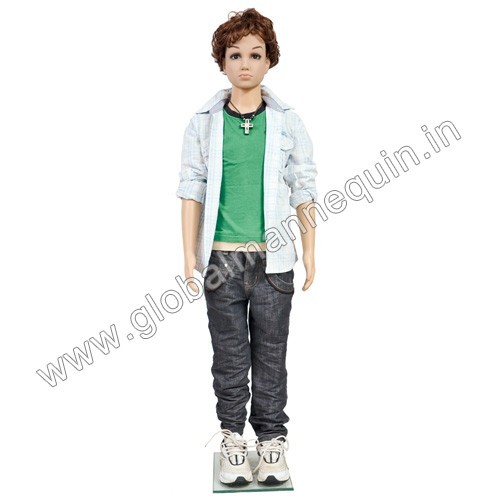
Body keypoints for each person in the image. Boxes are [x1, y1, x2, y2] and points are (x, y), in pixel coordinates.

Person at [176, 8, 318, 486]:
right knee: (230, 355)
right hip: (221, 260)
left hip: (274, 261)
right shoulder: (203, 123)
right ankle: (233, 439)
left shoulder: (288, 122)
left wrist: (310, 251)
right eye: (235, 55)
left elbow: (304, 187)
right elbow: (191, 187)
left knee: (272, 355)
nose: (245, 64)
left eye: (255, 55)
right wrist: (189, 255)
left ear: (270, 60)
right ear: (221, 61)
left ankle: (272, 441)